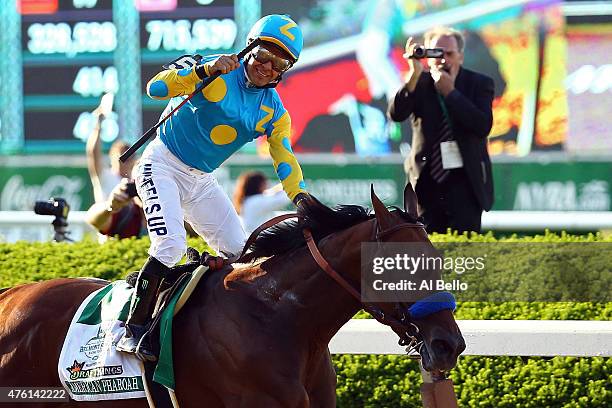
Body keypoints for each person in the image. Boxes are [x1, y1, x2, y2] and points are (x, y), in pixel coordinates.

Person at [116, 15, 310, 361]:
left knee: (243, 253)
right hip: (160, 164)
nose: (267, 67)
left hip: (201, 181)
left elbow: (284, 158)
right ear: (249, 47)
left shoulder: (275, 112)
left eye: (278, 62)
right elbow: (156, 88)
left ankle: (216, 318)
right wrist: (202, 72)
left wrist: (301, 198)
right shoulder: (218, 69)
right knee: (170, 244)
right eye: (263, 54)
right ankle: (132, 327)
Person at [387, 26, 494, 234]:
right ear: (427, 55)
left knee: (464, 254)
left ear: (460, 57)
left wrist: (451, 93)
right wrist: (413, 75)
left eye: (450, 54)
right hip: (427, 183)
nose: (443, 59)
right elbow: (395, 114)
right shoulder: (418, 83)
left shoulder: (479, 84)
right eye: (436, 53)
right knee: (428, 253)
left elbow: (482, 126)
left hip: (466, 183)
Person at [86, 94, 137, 203]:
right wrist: (98, 125)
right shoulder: (105, 176)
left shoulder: (137, 181)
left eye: (130, 156)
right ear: (112, 158)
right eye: (122, 157)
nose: (126, 161)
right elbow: (93, 153)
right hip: (108, 219)